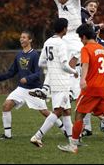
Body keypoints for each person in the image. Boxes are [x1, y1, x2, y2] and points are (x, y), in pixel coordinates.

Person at [57, 24, 104, 154]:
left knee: (79, 114)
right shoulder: (101, 48)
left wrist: (82, 79)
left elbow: (85, 64)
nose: (81, 41)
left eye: (81, 38)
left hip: (91, 87)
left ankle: (73, 146)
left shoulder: (86, 48)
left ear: (84, 37)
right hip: (103, 87)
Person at [0, 31, 66, 139]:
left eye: (24, 37)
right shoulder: (19, 55)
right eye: (21, 37)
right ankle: (7, 135)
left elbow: (38, 73)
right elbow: (11, 72)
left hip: (34, 89)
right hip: (21, 89)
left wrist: (27, 78)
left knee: (45, 112)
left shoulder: (35, 55)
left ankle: (65, 130)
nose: (21, 39)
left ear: (30, 40)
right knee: (6, 105)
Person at [36, 0, 83, 100]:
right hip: (63, 36)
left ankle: (71, 91)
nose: (59, 1)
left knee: (73, 63)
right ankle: (46, 89)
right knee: (55, 61)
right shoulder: (59, 2)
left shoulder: (75, 1)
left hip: (75, 37)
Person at [30, 18, 78, 147]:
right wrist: (74, 71)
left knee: (67, 111)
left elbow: (41, 63)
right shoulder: (61, 43)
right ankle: (37, 136)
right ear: (64, 29)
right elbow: (64, 65)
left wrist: (52, 65)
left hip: (54, 82)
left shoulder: (48, 42)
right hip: (62, 82)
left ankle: (73, 142)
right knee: (58, 112)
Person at [81, 29, 104, 140]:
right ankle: (88, 128)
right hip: (100, 81)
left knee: (82, 109)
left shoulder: (103, 44)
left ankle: (74, 143)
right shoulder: (98, 47)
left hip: (97, 80)